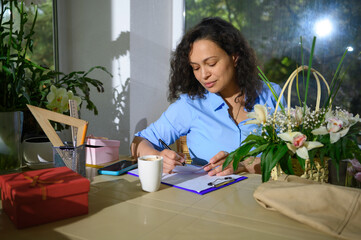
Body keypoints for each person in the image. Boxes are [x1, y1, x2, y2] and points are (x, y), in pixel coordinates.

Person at [131, 17, 283, 176]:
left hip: (262, 195)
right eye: (195, 68)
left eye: (211, 64)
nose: (204, 75)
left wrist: (243, 164)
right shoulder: (190, 104)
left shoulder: (271, 95)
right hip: (205, 197)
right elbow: (139, 142)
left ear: (234, 56)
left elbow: (288, 154)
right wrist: (158, 158)